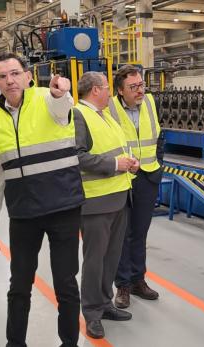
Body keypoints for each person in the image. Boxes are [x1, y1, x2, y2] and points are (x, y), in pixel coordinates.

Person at [0, 53, 83, 347]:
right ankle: (15, 343)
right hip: (24, 214)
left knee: (65, 283)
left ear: (28, 75)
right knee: (19, 284)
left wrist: (61, 92)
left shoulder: (47, 98)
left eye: (15, 73)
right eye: (2, 76)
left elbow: (63, 107)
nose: (9, 81)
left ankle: (69, 343)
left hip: (63, 208)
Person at [72, 71, 138, 339]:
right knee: (95, 261)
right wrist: (114, 165)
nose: (110, 92)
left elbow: (114, 149)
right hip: (96, 201)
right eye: (108, 88)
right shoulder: (79, 115)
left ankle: (104, 303)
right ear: (96, 89)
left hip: (119, 196)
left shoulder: (105, 115)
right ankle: (91, 313)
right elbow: (76, 155)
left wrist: (129, 163)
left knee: (110, 258)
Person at [107, 65, 163, 309]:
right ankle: (123, 285)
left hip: (148, 176)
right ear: (120, 90)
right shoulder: (109, 108)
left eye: (141, 85)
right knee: (122, 235)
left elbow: (160, 136)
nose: (140, 90)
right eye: (133, 87)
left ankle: (139, 280)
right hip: (122, 179)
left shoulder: (151, 102)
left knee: (140, 233)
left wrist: (158, 164)